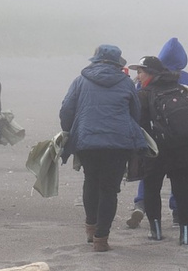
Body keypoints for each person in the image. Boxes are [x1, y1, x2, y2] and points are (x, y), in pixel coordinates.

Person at [59, 44, 147, 251]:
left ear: (96, 60)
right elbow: (136, 113)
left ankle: (91, 227)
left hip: (87, 141)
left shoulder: (80, 81)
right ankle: (101, 238)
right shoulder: (126, 83)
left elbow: (66, 110)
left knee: (91, 181)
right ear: (118, 63)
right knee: (109, 190)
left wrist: (68, 131)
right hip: (118, 144)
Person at [127, 37, 188, 228]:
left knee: (150, 183)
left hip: (155, 145)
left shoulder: (147, 82)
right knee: (182, 187)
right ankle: (183, 228)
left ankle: (146, 214)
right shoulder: (187, 80)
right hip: (185, 144)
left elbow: (138, 115)